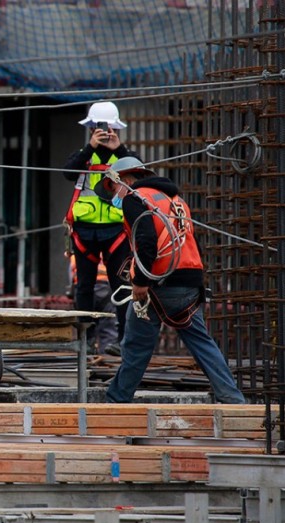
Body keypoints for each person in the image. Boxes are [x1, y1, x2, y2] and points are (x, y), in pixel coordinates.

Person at [95, 157, 245, 404]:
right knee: (202, 344)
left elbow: (146, 241)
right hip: (189, 281)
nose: (115, 194)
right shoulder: (176, 201)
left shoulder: (136, 198)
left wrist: (141, 282)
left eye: (113, 187)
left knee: (136, 346)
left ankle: (116, 401)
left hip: (157, 284)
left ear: (126, 179)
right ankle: (232, 398)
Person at [62, 101, 138, 357]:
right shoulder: (84, 155)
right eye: (99, 127)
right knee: (84, 286)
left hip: (116, 230)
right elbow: (68, 172)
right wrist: (90, 146)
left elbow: (142, 175)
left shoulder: (124, 156)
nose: (104, 132)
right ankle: (85, 339)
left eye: (108, 128)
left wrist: (120, 149)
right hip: (85, 231)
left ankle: (124, 340)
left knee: (121, 287)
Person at [67, 255, 118, 353]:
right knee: (108, 331)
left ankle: (86, 358)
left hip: (83, 291)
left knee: (85, 330)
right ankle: (106, 358)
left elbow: (71, 277)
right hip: (106, 287)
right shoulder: (109, 249)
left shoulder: (77, 252)